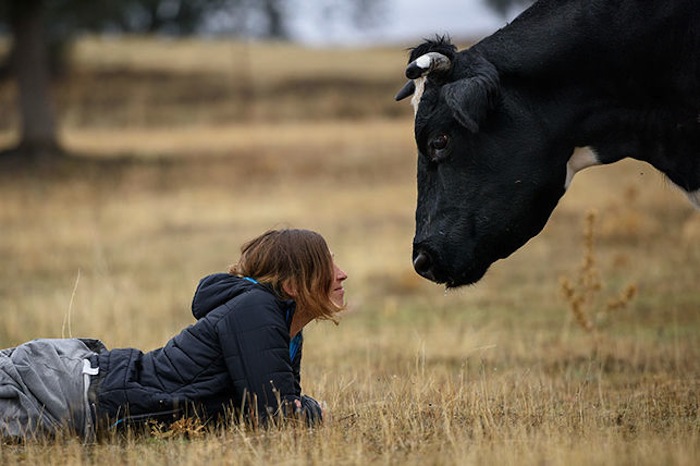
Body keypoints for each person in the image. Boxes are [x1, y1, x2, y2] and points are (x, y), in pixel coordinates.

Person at [0, 228, 348, 441]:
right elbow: (278, 418)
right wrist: (313, 411)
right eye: (328, 266)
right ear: (290, 285)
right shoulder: (256, 310)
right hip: (69, 392)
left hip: (84, 391)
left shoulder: (285, 327)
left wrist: (303, 411)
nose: (342, 274)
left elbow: (274, 413)